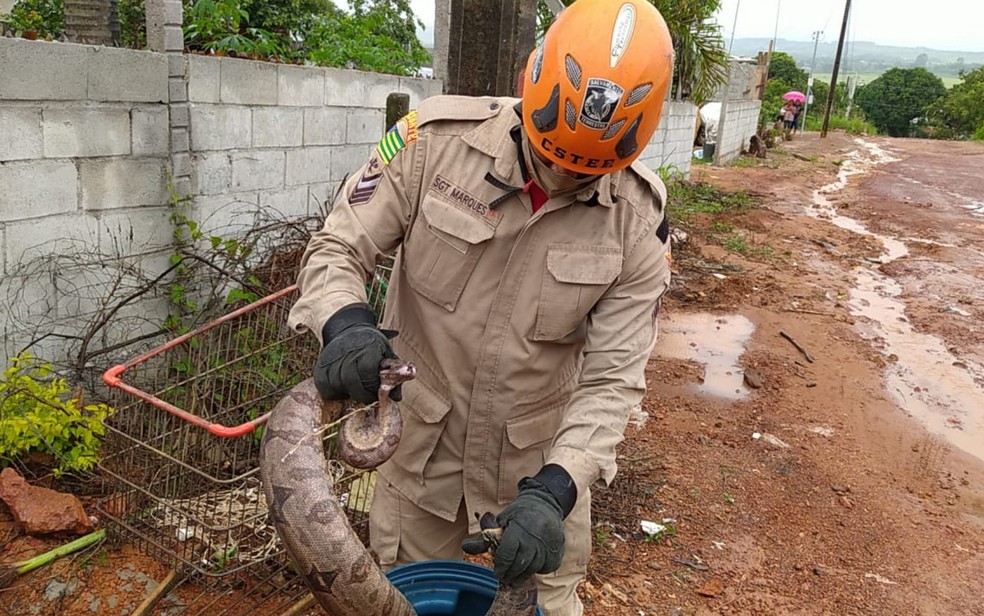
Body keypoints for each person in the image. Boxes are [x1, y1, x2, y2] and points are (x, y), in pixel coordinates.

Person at [288, 1, 674, 614]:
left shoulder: (638, 222)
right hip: (420, 460)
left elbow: (612, 380)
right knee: (405, 602)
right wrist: (345, 323)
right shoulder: (429, 145)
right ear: (531, 82)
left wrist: (556, 488)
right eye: (550, 157)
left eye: (583, 173)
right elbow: (339, 245)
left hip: (540, 473)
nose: (561, 177)